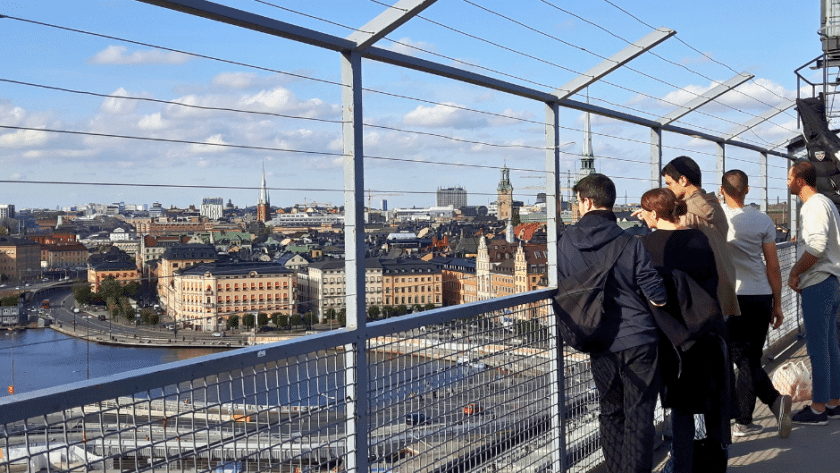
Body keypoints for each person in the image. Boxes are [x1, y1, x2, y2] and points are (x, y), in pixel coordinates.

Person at [557, 173, 667, 473]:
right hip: (639, 340)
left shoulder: (565, 241)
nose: (576, 207)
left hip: (597, 339)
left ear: (587, 201)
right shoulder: (631, 240)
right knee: (640, 416)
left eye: (577, 202)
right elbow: (656, 295)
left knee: (610, 413)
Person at [638, 188, 730, 472]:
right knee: (713, 400)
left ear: (653, 213)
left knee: (681, 406)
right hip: (707, 328)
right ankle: (717, 464)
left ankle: (681, 465)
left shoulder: (646, 245)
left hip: (674, 337)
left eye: (644, 211)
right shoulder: (698, 238)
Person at [719, 169, 793, 438]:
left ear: (721, 190)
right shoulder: (763, 220)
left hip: (730, 297)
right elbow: (773, 266)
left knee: (742, 359)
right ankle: (752, 416)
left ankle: (756, 413)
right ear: (747, 190)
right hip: (760, 295)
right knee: (749, 358)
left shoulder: (717, 218)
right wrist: (777, 303)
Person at [786, 161, 840, 424]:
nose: (787, 182)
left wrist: (795, 271)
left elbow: (816, 245)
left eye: (788, 177)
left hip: (818, 282)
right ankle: (833, 401)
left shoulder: (813, 206)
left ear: (799, 180)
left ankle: (818, 409)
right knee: (830, 346)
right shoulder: (827, 203)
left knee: (818, 348)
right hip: (831, 281)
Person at [659, 156, 740, 318]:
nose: (667, 189)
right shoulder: (713, 205)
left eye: (669, 183)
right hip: (724, 286)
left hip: (703, 294)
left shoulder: (686, 213)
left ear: (682, 180)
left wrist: (657, 221)